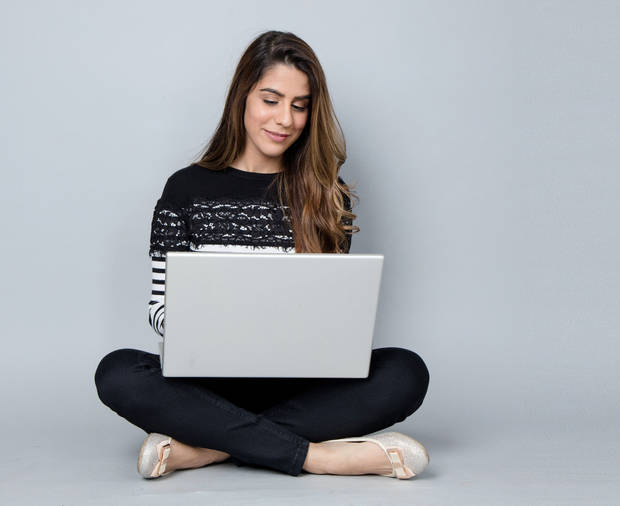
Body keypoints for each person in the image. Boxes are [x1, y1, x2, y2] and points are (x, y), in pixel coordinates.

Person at [93, 30, 430, 480]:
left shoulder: (328, 196)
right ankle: (318, 457)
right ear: (242, 98)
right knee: (116, 371)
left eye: (299, 105)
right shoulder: (185, 189)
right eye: (271, 99)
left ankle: (208, 446)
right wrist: (204, 324)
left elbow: (334, 314)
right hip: (204, 382)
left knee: (406, 371)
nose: (285, 119)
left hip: (300, 386)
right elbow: (159, 308)